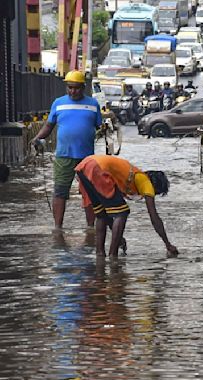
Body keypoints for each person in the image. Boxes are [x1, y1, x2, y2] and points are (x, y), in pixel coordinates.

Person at [32, 70, 102, 229]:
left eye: (76, 88)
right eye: (70, 87)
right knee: (60, 191)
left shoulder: (93, 104)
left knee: (89, 193)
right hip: (64, 155)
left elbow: (100, 127)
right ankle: (58, 228)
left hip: (87, 158)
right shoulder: (58, 103)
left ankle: (91, 228)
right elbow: (48, 126)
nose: (73, 91)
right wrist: (37, 138)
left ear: (83, 87)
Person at [75, 155, 179, 258]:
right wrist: (168, 244)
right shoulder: (146, 183)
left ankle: (100, 254)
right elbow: (154, 217)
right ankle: (113, 255)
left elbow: (108, 216)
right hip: (98, 167)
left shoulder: (128, 177)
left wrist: (119, 238)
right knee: (122, 212)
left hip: (84, 166)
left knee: (101, 214)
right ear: (155, 186)